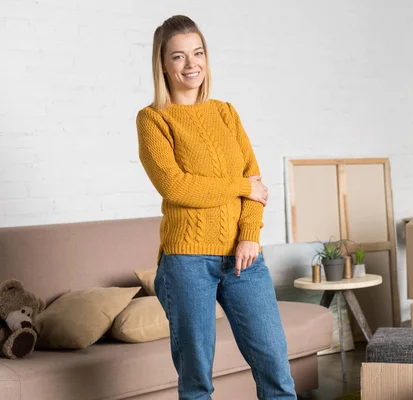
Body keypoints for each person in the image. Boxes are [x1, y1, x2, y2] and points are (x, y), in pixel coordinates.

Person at [136, 15, 297, 400]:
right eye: (178, 56)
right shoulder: (153, 119)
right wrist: (241, 186)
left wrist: (249, 237)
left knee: (275, 367)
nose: (191, 64)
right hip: (187, 261)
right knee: (196, 379)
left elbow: (255, 184)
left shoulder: (226, 112)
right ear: (163, 64)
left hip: (244, 257)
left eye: (198, 52)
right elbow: (177, 188)